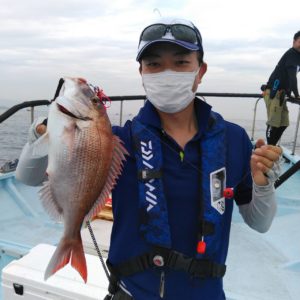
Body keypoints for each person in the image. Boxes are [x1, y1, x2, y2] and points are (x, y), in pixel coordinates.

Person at [16, 17, 283, 300]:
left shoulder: (233, 139)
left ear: (200, 71)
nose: (167, 72)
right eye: (154, 64)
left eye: (181, 62)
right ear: (141, 73)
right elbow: (27, 177)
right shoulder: (115, 140)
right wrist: (43, 132)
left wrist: (262, 182)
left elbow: (259, 222)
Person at [262, 30, 300, 145]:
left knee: (284, 123)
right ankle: (268, 148)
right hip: (274, 92)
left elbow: (288, 78)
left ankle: (271, 146)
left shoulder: (298, 57)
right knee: (273, 124)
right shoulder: (292, 54)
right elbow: (292, 77)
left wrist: (289, 93)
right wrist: (297, 95)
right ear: (294, 41)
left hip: (282, 95)